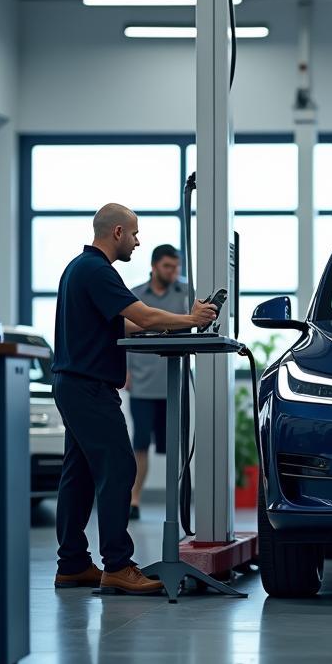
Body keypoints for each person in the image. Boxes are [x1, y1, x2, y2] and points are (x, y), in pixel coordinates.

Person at [51, 204, 217, 596]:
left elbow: (119, 321)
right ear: (118, 232)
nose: (139, 242)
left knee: (77, 477)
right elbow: (142, 316)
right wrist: (191, 320)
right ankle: (118, 566)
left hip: (73, 383)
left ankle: (72, 564)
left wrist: (168, 325)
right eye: (136, 235)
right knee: (120, 467)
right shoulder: (97, 270)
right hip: (88, 387)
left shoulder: (79, 268)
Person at [125, 243, 188, 520]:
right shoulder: (135, 296)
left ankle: (175, 505)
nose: (173, 272)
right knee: (139, 444)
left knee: (173, 445)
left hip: (173, 383)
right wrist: (125, 371)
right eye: (168, 266)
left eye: (176, 267)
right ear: (154, 266)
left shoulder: (186, 294)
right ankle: (134, 499)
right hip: (142, 382)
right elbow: (122, 335)